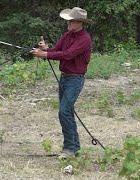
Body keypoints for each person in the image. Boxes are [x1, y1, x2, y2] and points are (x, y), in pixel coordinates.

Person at [31, 7, 93, 158]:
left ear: (80, 23)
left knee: (64, 112)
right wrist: (46, 49)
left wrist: (44, 54)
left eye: (71, 21)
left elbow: (67, 55)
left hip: (75, 80)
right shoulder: (67, 35)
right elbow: (56, 50)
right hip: (64, 78)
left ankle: (69, 149)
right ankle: (75, 148)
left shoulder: (85, 39)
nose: (68, 23)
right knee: (68, 113)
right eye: (68, 20)